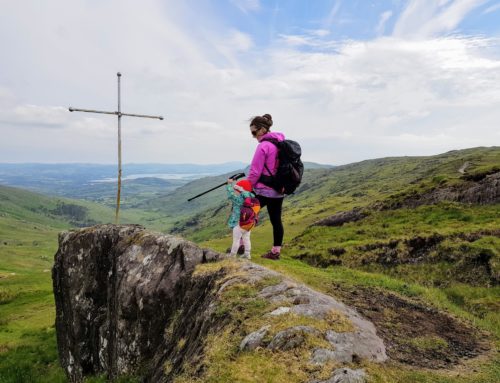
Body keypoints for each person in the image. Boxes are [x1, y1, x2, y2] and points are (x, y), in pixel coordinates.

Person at [247, 114, 285, 260]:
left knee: (246, 214)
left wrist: (247, 187)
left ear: (262, 130)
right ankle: (275, 252)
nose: (253, 136)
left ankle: (242, 246)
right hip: (278, 190)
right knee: (276, 221)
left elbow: (255, 171)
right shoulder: (280, 143)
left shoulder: (263, 146)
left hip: (263, 190)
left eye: (254, 132)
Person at [226, 178, 254, 259]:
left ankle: (232, 255)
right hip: (248, 222)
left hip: (238, 223)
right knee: (246, 238)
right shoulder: (251, 197)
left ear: (239, 189)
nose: (235, 191)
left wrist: (229, 185)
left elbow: (231, 195)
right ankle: (247, 254)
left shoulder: (239, 199)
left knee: (236, 240)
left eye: (236, 189)